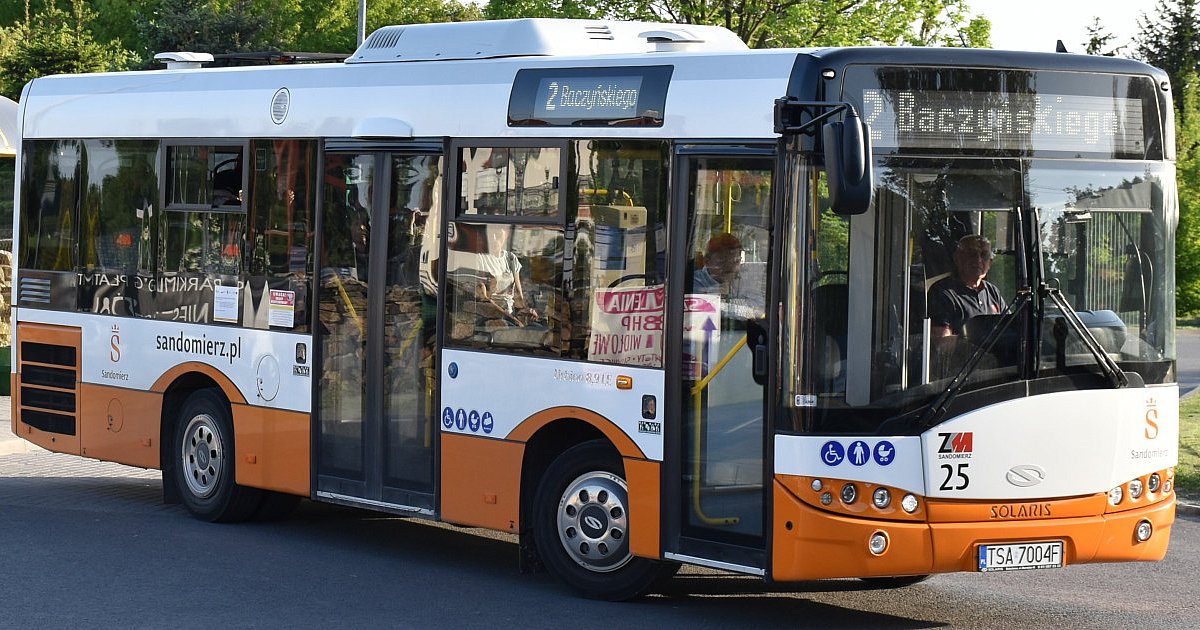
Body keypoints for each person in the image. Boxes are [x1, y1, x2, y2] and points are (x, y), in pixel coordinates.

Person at [928, 234, 1006, 337]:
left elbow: (1008, 327)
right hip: (964, 353)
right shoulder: (942, 292)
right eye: (972, 254)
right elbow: (942, 343)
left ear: (990, 263)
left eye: (984, 255)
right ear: (957, 258)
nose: (978, 260)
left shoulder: (993, 292)